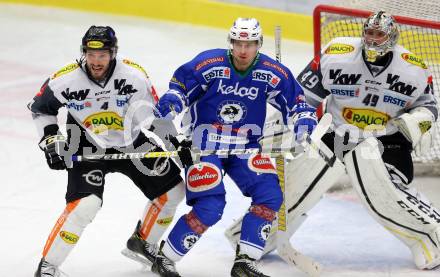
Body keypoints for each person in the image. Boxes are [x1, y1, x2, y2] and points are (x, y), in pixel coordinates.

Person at [151, 17, 318, 277]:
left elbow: (297, 103)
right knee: (210, 206)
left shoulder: (272, 71)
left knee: (270, 195)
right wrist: (174, 98)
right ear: (231, 42)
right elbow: (181, 84)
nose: (243, 50)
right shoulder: (210, 63)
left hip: (246, 146)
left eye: (249, 44)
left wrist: (303, 119)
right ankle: (165, 258)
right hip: (204, 143)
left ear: (258, 44)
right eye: (238, 43)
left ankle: (245, 262)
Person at [281, 10, 439, 270]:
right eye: (370, 33)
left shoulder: (413, 68)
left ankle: (432, 237)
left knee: (382, 193)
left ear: (392, 37)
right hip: (338, 134)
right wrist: (296, 124)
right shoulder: (337, 54)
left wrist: (416, 123)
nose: (373, 39)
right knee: (299, 180)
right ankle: (256, 234)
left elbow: (429, 109)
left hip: (386, 140)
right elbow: (302, 96)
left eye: (380, 34)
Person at [28, 26, 186, 277]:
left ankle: (143, 243)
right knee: (85, 205)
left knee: (173, 192)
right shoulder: (64, 79)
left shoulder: (134, 75)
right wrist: (50, 140)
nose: (96, 61)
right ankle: (47, 267)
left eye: (102, 54)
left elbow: (150, 116)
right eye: (91, 54)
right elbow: (41, 109)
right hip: (86, 143)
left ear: (113, 53)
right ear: (84, 53)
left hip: (131, 140)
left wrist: (175, 144)